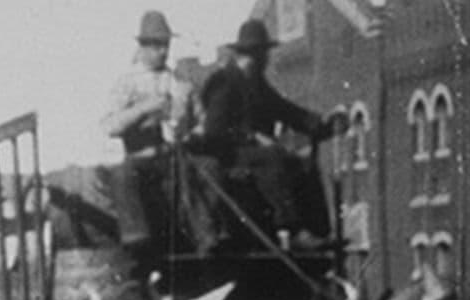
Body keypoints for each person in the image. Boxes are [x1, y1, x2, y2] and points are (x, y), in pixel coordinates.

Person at [189, 19, 346, 251]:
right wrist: (251, 137)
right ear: (255, 54)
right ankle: (291, 229)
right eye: (264, 54)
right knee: (272, 155)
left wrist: (322, 125)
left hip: (251, 154)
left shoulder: (257, 84)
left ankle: (317, 231)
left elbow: (287, 111)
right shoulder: (224, 81)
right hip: (227, 155)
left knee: (300, 162)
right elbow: (215, 130)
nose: (267, 60)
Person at [100, 10, 192, 274]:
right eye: (156, 46)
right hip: (140, 158)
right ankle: (137, 243)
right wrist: (142, 109)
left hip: (169, 156)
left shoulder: (174, 79)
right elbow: (108, 125)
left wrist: (181, 113)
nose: (162, 52)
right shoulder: (127, 81)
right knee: (123, 174)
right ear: (142, 46)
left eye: (166, 45)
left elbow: (189, 119)